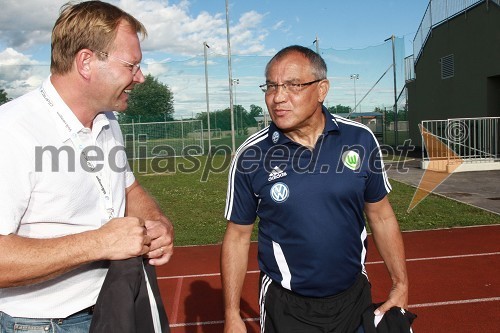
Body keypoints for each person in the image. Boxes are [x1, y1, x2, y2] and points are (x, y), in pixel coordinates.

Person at [0, 1, 174, 332]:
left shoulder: (107, 121)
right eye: (132, 65)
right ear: (86, 62)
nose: (140, 77)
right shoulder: (10, 131)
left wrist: (156, 222)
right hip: (41, 324)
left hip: (110, 305)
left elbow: (129, 188)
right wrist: (98, 243)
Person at [221, 45, 409, 333]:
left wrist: (401, 283)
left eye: (293, 85)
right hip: (286, 307)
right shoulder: (251, 156)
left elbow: (381, 215)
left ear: (322, 90)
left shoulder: (360, 139)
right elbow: (237, 236)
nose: (278, 97)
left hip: (354, 298)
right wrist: (232, 313)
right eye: (271, 86)